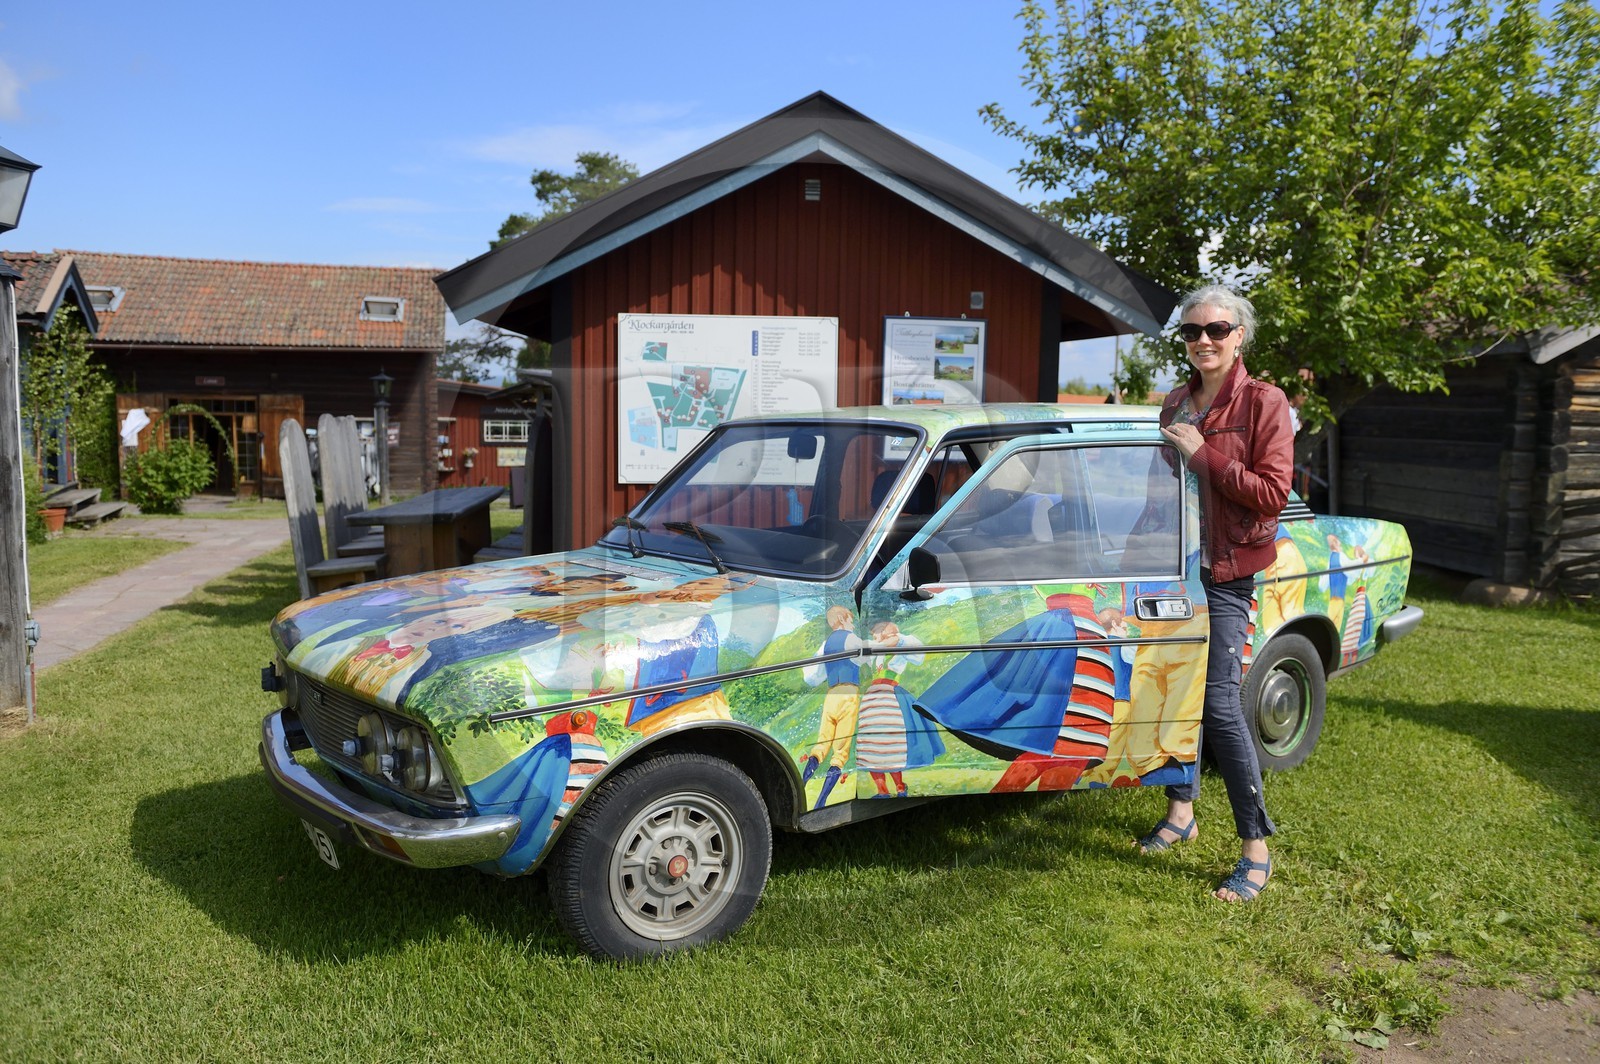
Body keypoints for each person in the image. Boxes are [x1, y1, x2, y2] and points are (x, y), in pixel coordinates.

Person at [1137, 283, 1293, 904]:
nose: (1204, 340)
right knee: (1175, 689)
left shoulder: (1264, 403)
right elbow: (1160, 493)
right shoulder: (1176, 401)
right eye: (1192, 331)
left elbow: (1272, 494)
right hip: (1175, 571)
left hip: (1229, 572)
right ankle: (1183, 812)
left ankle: (1255, 847)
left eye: (1217, 330)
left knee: (1223, 707)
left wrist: (1204, 455)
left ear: (1240, 336)